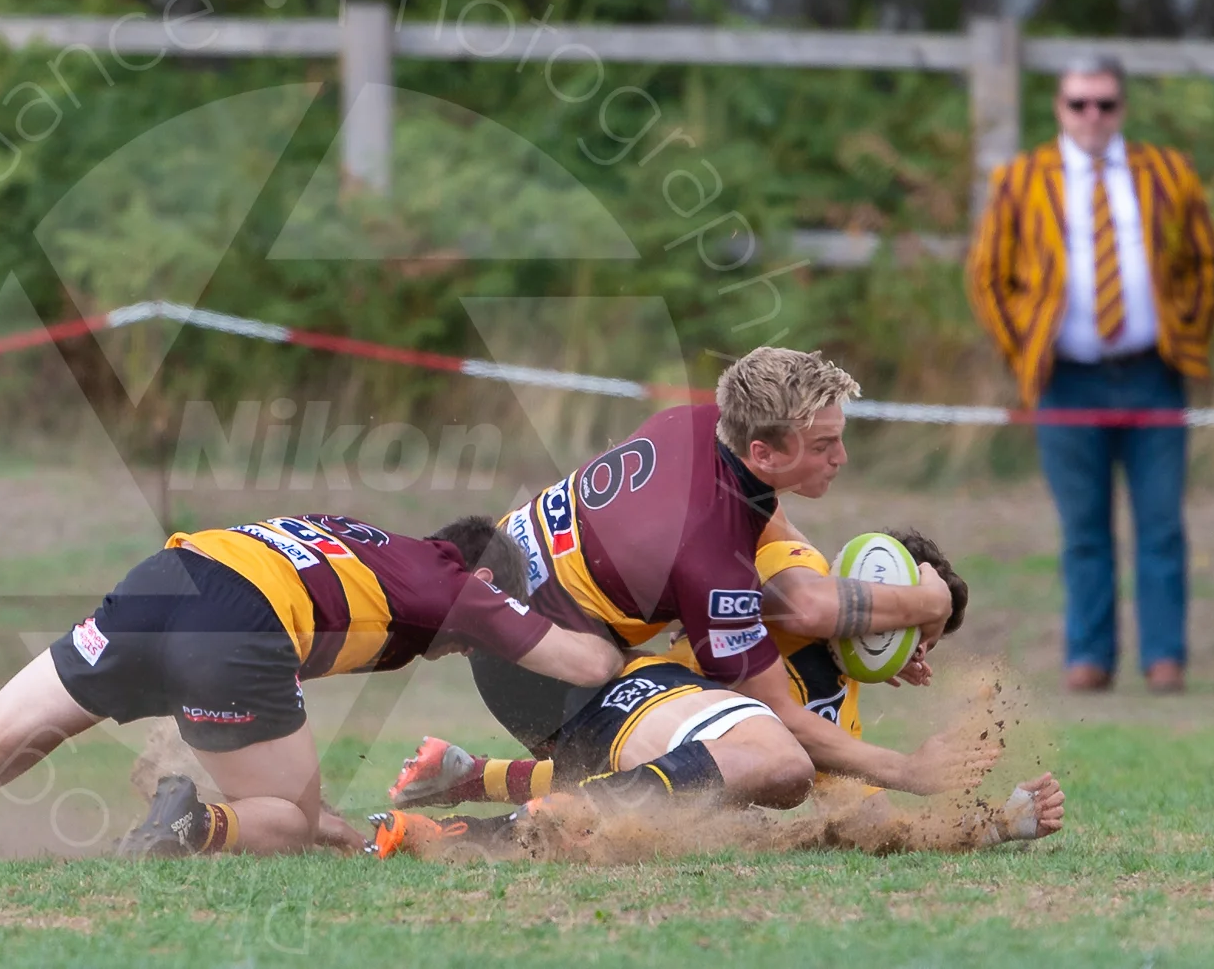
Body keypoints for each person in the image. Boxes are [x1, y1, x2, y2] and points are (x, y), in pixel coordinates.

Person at [0, 514, 624, 856]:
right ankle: (195, 823)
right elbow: (584, 666)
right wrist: (647, 629)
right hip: (239, 626)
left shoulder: (370, 540)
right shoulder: (463, 592)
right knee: (286, 819)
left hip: (164, 582)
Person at [405, 349, 971, 849]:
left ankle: (471, 777)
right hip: (540, 671)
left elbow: (793, 582)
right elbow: (790, 706)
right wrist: (910, 765)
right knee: (775, 762)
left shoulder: (698, 426)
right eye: (824, 445)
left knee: (712, 784)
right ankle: (505, 832)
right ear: (764, 453)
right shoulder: (709, 554)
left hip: (518, 615)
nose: (841, 457)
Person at [371, 530, 1062, 857]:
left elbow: (863, 825)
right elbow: (799, 595)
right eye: (913, 631)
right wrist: (917, 604)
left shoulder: (837, 706)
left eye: (926, 646)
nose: (916, 658)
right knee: (764, 760)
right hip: (593, 673)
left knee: (722, 798)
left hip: (604, 722)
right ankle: (501, 811)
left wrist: (996, 823)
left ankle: (465, 796)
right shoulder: (797, 569)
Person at [965, 54, 1214, 694]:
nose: (1092, 116)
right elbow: (986, 276)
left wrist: (1185, 334)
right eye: (1079, 103)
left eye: (1105, 104)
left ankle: (1165, 658)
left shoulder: (1168, 172)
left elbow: (1207, 263)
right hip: (1067, 380)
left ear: (1122, 109)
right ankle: (1090, 656)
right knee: (1084, 527)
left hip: (1152, 375)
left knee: (1161, 523)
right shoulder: (1022, 179)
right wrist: (1025, 347)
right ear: (1059, 108)